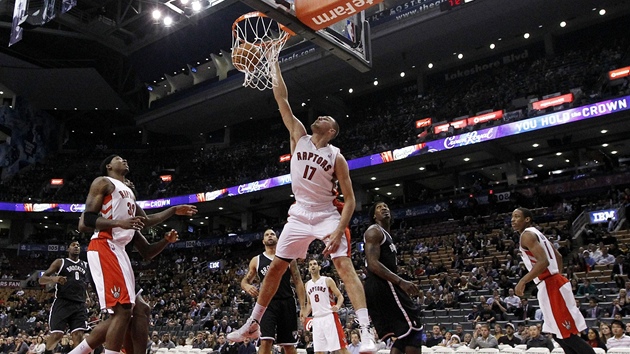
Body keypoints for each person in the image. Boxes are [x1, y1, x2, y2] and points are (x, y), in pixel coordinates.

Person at [228, 63, 377, 354]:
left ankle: (365, 330)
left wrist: (336, 232)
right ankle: (254, 322)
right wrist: (273, 67)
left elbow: (350, 200)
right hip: (299, 213)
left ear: (331, 130)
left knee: (344, 266)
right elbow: (281, 99)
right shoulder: (298, 135)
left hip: (325, 214)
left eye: (325, 117)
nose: (318, 116)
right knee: (275, 269)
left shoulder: (337, 157)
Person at [70, 155, 196, 354]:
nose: (125, 160)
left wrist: (172, 211)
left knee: (138, 310)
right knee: (123, 311)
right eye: (119, 158)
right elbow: (86, 220)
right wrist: (119, 223)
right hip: (104, 246)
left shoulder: (129, 197)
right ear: (109, 166)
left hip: (119, 252)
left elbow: (146, 224)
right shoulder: (103, 182)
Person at [513, 207, 595, 354]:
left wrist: (523, 281)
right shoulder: (539, 234)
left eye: (517, 216)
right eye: (512, 217)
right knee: (558, 335)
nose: (513, 220)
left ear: (527, 219)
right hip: (553, 282)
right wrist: (557, 276)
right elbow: (558, 256)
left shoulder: (527, 235)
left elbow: (543, 262)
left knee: (567, 333)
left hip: (551, 284)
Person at [362, 201, 422, 354]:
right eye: (379, 207)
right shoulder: (374, 231)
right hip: (381, 284)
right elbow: (372, 264)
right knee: (414, 326)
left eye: (386, 206)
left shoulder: (386, 235)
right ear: (374, 216)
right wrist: (400, 281)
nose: (384, 208)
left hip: (382, 285)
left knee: (404, 334)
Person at [239, 229, 305, 354]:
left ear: (277, 239)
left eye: (272, 234)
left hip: (287, 302)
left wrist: (303, 306)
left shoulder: (288, 257)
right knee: (266, 341)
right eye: (267, 234)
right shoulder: (257, 260)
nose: (270, 236)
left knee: (288, 344)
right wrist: (247, 286)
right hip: (267, 304)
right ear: (263, 241)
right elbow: (245, 280)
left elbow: (298, 281)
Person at [38, 241, 90, 354]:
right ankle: (47, 352)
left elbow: (81, 283)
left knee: (78, 335)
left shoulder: (85, 265)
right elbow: (41, 279)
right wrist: (54, 279)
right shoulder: (60, 262)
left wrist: (87, 296)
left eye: (78, 245)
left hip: (79, 304)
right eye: (73, 245)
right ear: (68, 249)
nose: (76, 246)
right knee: (57, 335)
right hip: (63, 302)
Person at [304, 258, 348, 354]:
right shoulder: (307, 285)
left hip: (329, 316)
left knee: (341, 348)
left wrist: (337, 306)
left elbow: (340, 296)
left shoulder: (327, 280)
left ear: (319, 267)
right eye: (310, 264)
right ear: (308, 269)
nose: (312, 266)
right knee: (319, 351)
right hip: (316, 319)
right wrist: (304, 314)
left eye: (315, 264)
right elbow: (309, 304)